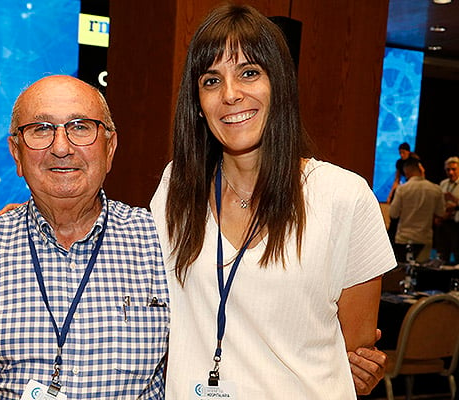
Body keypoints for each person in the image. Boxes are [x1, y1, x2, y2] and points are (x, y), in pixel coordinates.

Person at [149, 5, 396, 399]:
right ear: (197, 102)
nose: (231, 94)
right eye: (212, 80)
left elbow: (356, 358)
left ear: (278, 84)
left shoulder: (343, 197)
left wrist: (363, 369)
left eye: (249, 72)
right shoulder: (176, 186)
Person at [0, 75, 169, 399]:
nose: (61, 147)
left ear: (110, 147)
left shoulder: (159, 244)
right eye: (41, 129)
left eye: (80, 127)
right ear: (16, 153)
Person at [389, 158, 445, 262]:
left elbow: (393, 214)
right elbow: (441, 213)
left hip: (403, 237)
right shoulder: (436, 189)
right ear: (420, 168)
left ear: (406, 172)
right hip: (424, 238)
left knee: (403, 272)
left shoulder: (402, 189)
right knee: (420, 271)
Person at [435, 156, 459, 263]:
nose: (451, 172)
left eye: (454, 169)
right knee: (442, 254)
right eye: (448, 170)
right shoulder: (443, 183)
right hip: (444, 222)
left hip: (457, 224)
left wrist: (455, 201)